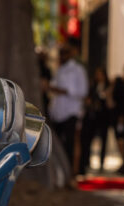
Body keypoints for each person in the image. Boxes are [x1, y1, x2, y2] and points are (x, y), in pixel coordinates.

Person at [48, 40, 88, 173]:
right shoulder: (59, 70)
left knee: (71, 143)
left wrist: (64, 91)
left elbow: (82, 92)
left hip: (72, 111)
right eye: (61, 53)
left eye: (65, 53)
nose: (62, 56)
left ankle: (72, 172)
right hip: (58, 112)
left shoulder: (78, 70)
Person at [81, 66, 111, 173]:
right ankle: (87, 161)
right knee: (89, 139)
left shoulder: (109, 86)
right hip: (93, 116)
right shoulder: (93, 86)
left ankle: (101, 162)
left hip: (104, 117)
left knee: (103, 139)